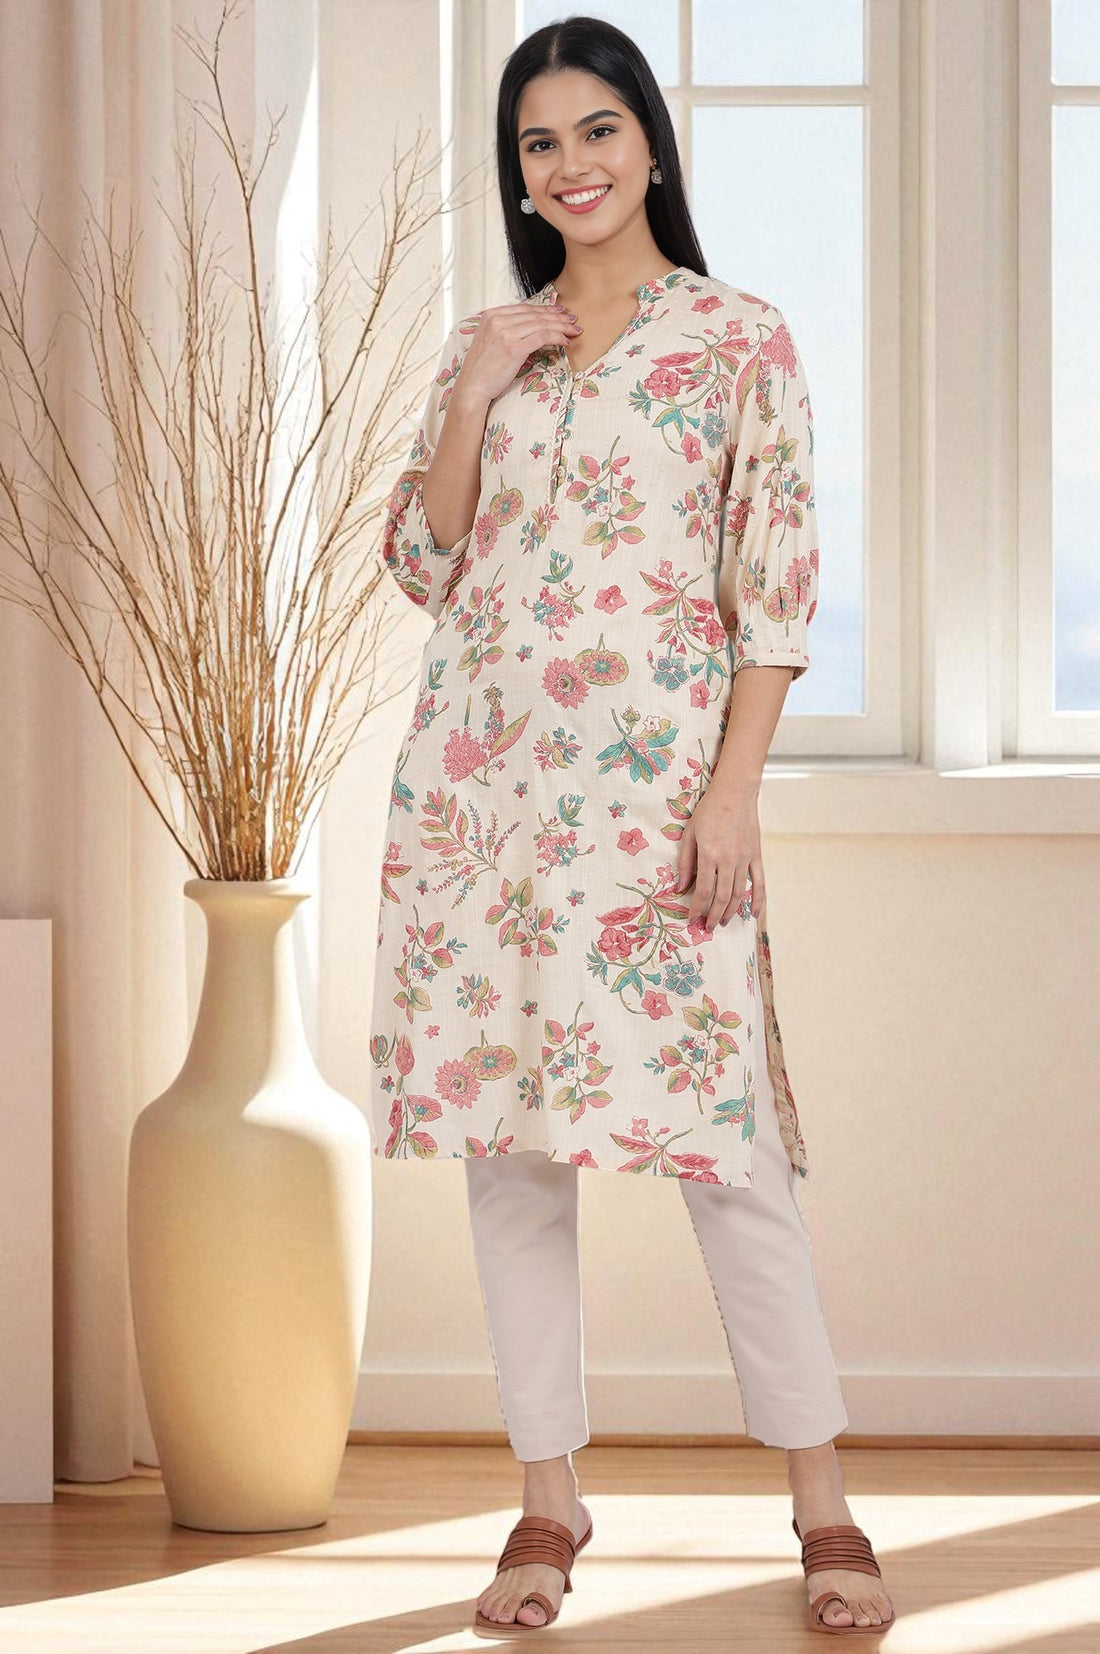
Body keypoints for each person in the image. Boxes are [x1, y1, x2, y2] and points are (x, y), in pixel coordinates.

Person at [370, 14, 895, 1639]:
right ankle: (548, 1496)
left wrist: (732, 792)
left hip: (656, 814)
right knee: (515, 1161)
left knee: (729, 1156)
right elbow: (423, 563)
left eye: (596, 129)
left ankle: (822, 1501)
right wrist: (477, 388)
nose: (570, 164)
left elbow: (773, 594)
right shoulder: (489, 344)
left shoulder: (739, 340)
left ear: (650, 143)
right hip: (484, 809)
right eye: (539, 142)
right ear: (518, 171)